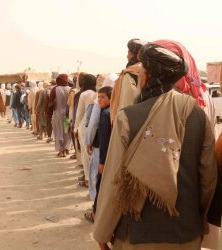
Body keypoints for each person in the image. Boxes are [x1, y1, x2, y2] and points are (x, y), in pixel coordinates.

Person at [93, 43, 217, 250]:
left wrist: (102, 231)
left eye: (142, 71)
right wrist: (194, 218)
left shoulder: (127, 118)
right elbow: (208, 178)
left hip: (135, 235)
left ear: (147, 76)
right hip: (186, 234)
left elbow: (113, 181)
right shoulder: (197, 115)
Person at [84, 85, 114, 223]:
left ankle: (97, 214)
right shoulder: (111, 111)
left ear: (110, 97)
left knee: (100, 185)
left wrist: (101, 162)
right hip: (111, 156)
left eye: (103, 97)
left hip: (104, 156)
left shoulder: (106, 114)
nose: (100, 100)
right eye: (99, 97)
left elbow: (104, 141)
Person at [110, 38, 146, 123]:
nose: (127, 56)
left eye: (128, 53)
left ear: (135, 55)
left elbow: (126, 105)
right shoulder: (148, 71)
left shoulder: (130, 74)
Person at [74, 74, 97, 187]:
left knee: (85, 153)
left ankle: (88, 180)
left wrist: (75, 128)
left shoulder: (84, 94)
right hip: (96, 126)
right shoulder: (98, 93)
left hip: (84, 126)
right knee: (94, 153)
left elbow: (79, 113)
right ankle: (94, 179)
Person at [49, 74, 71, 157]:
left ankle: (61, 150)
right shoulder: (70, 90)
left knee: (58, 131)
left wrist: (49, 114)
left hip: (57, 114)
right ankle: (65, 149)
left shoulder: (55, 89)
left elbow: (50, 103)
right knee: (66, 131)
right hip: (68, 114)